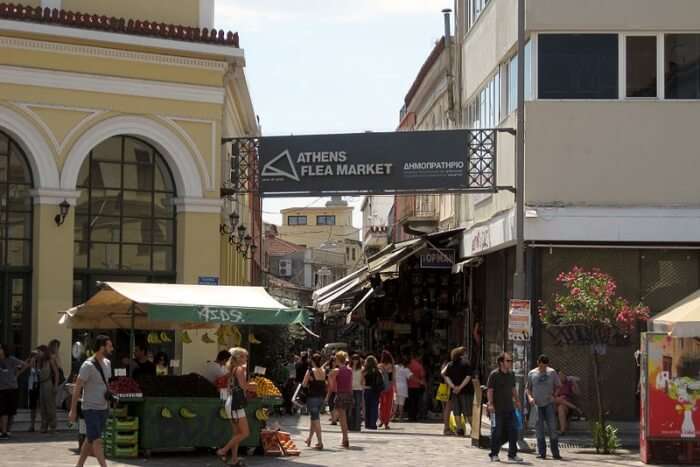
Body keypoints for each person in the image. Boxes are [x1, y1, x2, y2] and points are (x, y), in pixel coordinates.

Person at [69, 334, 114, 467]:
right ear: (102, 347)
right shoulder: (87, 365)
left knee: (90, 439)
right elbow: (77, 388)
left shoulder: (107, 363)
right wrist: (72, 410)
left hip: (103, 407)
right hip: (90, 408)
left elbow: (106, 383)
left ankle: (79, 465)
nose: (112, 348)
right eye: (109, 346)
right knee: (97, 440)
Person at [217, 347, 252, 467]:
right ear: (238, 357)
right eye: (244, 356)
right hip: (236, 404)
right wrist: (256, 387)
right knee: (245, 433)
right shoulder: (240, 369)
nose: (246, 358)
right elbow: (243, 386)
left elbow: (230, 387)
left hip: (230, 402)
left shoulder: (232, 369)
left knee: (236, 433)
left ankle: (234, 460)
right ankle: (223, 450)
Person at [487, 352, 522, 463]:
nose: (510, 362)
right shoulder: (494, 374)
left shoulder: (511, 374)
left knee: (514, 431)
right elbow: (490, 390)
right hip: (497, 409)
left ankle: (512, 455)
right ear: (501, 362)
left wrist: (517, 400)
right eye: (508, 361)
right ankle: (494, 454)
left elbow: (513, 388)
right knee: (496, 431)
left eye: (511, 360)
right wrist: (490, 404)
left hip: (509, 408)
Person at [527, 355, 561, 460]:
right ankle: (542, 453)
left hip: (549, 404)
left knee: (552, 428)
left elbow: (558, 386)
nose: (543, 369)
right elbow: (528, 389)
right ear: (538, 363)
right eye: (541, 366)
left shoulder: (552, 372)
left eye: (545, 366)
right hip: (537, 405)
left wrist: (554, 395)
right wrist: (530, 398)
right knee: (539, 429)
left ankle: (555, 453)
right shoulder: (532, 373)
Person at [442, 346, 475, 437]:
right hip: (466, 391)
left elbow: (446, 376)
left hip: (455, 392)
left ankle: (459, 429)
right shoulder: (466, 364)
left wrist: (453, 387)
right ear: (462, 354)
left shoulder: (450, 364)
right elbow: (468, 377)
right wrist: (460, 387)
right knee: (468, 411)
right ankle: (474, 430)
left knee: (457, 411)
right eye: (465, 353)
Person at [0, 343, 29, 439]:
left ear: (4, 350)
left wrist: (17, 375)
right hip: (1, 389)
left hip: (12, 388)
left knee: (11, 411)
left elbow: (24, 364)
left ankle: (7, 430)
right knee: (3, 411)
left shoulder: (11, 359)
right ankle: (3, 432)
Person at [302, 353, 327, 450]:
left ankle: (320, 442)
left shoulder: (310, 371)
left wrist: (309, 383)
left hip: (312, 398)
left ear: (312, 361)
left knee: (315, 419)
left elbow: (304, 384)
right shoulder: (324, 370)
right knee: (314, 419)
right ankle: (309, 439)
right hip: (321, 397)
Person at [328, 351, 353, 448]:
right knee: (344, 417)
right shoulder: (349, 370)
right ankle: (344, 438)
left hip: (340, 394)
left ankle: (345, 439)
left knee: (342, 419)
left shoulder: (336, 371)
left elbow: (330, 380)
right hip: (348, 394)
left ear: (338, 360)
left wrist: (331, 380)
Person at [37, 344, 59, 433]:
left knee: (50, 406)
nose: (38, 353)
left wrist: (55, 385)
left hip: (48, 383)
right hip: (41, 384)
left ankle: (53, 426)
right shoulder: (39, 362)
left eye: (39, 351)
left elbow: (56, 373)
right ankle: (44, 426)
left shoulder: (50, 360)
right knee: (42, 406)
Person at [555, 368, 582, 434]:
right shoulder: (554, 384)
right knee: (558, 400)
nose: (563, 376)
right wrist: (558, 395)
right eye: (560, 375)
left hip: (566, 407)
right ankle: (576, 408)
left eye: (563, 374)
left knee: (561, 407)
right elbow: (553, 396)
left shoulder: (569, 383)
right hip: (554, 405)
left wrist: (574, 382)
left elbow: (578, 393)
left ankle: (562, 430)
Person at [362, 355, 382, 430]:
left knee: (367, 407)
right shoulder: (377, 370)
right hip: (375, 390)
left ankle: (367, 424)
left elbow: (362, 381)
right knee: (374, 407)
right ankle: (373, 423)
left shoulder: (365, 371)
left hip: (367, 390)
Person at [378, 350, 395, 429]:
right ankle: (386, 422)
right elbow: (393, 378)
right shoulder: (392, 366)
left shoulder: (380, 366)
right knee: (388, 405)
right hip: (390, 387)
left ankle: (381, 420)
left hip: (381, 387)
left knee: (382, 405)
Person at [407, 351, 426, 422]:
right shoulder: (419, 366)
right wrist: (424, 384)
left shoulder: (408, 364)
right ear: (418, 357)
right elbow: (422, 376)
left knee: (410, 402)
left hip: (408, 386)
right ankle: (414, 416)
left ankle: (410, 416)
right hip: (416, 386)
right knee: (415, 402)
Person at [394, 355, 412, 422]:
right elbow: (410, 377)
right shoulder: (406, 369)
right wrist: (420, 381)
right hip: (403, 387)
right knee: (401, 404)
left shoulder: (394, 367)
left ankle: (393, 416)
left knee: (395, 403)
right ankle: (400, 417)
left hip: (395, 386)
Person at [26, 349, 41, 432]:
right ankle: (32, 425)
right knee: (33, 407)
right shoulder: (29, 364)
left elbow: (39, 373)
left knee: (39, 406)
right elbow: (32, 372)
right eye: (34, 356)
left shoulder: (41, 364)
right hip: (32, 387)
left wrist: (38, 365)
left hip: (39, 386)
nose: (35, 358)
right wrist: (32, 364)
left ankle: (40, 424)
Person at [349, 354, 364, 431]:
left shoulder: (361, 369)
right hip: (350, 390)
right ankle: (351, 426)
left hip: (358, 389)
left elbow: (363, 380)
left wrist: (362, 385)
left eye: (356, 359)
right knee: (351, 408)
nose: (355, 361)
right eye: (354, 359)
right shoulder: (349, 368)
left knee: (358, 408)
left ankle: (357, 426)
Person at [325, 356, 338, 424]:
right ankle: (334, 418)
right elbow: (325, 379)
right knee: (330, 404)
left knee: (336, 404)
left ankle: (334, 419)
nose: (334, 362)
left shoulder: (338, 369)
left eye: (335, 361)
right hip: (329, 388)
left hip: (337, 389)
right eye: (333, 361)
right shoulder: (328, 369)